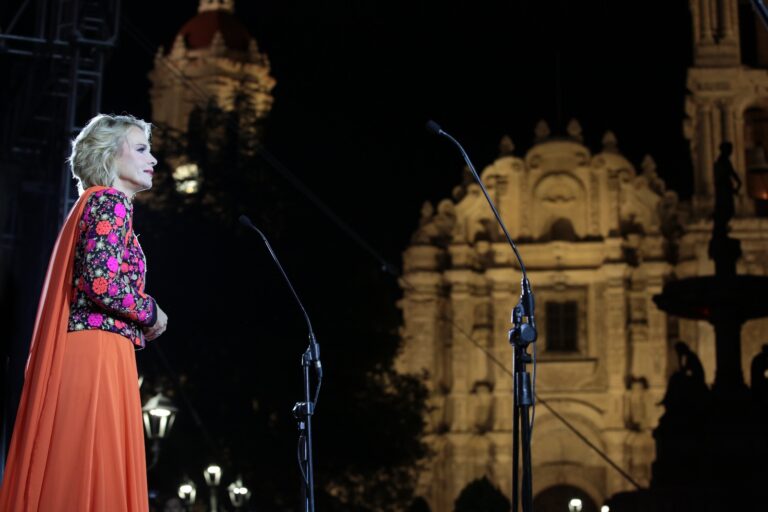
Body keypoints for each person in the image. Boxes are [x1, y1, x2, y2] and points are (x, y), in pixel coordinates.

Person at [0, 113, 169, 511]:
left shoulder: (93, 205)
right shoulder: (109, 202)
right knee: (91, 474)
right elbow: (101, 284)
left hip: (97, 351)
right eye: (142, 149)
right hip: (97, 355)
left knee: (83, 475)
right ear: (110, 156)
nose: (154, 159)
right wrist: (151, 313)